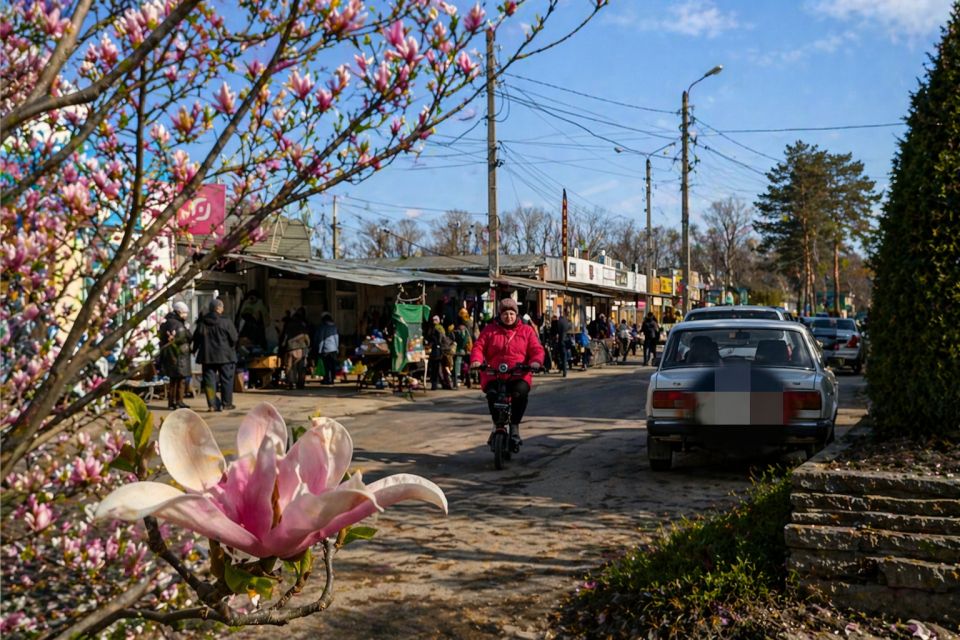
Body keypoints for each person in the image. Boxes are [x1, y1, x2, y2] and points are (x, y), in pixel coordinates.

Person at [469, 298, 545, 451]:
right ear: (500, 315)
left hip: (518, 374)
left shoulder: (526, 331)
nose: (508, 317)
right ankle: (497, 424)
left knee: (520, 393)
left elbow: (536, 349)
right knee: (492, 394)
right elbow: (478, 346)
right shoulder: (490, 330)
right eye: (505, 314)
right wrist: (477, 361)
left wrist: (535, 362)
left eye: (511, 313)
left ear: (516, 315)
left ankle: (515, 425)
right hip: (494, 373)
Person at [192, 298, 238, 411]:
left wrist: (194, 350)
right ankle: (227, 404)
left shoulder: (203, 322)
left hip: (207, 357)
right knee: (226, 380)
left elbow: (196, 338)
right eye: (222, 307)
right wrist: (231, 347)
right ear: (218, 308)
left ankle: (212, 404)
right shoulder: (226, 321)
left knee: (209, 382)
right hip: (225, 356)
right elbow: (234, 338)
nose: (223, 309)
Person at [158, 301, 192, 409]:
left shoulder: (166, 322)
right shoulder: (178, 324)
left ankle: (171, 402)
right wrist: (187, 330)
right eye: (184, 313)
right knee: (180, 380)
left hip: (169, 355)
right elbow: (184, 338)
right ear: (179, 312)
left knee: (173, 380)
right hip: (180, 355)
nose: (186, 315)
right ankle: (179, 401)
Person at [279, 307, 311, 389]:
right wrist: (308, 345)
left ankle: (290, 383)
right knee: (301, 367)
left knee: (289, 367)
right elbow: (306, 337)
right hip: (301, 349)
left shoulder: (289, 324)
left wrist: (282, 346)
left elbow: (285, 337)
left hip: (290, 348)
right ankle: (300, 384)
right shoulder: (303, 324)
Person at [425, 316, 452, 390]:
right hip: (441, 351)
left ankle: (438, 384)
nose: (434, 321)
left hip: (437, 351)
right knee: (441, 368)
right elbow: (442, 339)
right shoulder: (440, 328)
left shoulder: (433, 329)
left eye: (435, 320)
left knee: (437, 368)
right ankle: (443, 384)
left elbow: (433, 340)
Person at [313, 313, 339, 385]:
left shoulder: (322, 327)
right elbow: (336, 338)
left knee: (326, 366)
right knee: (332, 365)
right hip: (334, 349)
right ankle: (332, 379)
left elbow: (321, 339)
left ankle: (327, 379)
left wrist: (319, 350)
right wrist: (337, 348)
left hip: (326, 349)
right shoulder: (334, 327)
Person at [452, 322, 472, 389]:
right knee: (465, 367)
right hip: (466, 352)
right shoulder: (467, 333)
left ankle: (457, 383)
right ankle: (467, 382)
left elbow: (462, 341)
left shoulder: (459, 333)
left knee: (457, 368)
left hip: (459, 352)